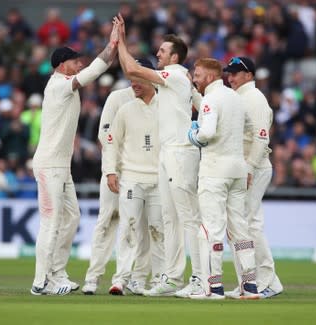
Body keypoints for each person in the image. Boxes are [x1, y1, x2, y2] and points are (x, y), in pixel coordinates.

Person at [30, 20, 119, 296]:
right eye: (74, 61)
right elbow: (92, 72)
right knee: (52, 221)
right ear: (61, 65)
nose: (79, 65)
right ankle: (41, 282)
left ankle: (57, 274)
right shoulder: (58, 84)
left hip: (61, 166)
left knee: (71, 217)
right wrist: (111, 44)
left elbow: (95, 68)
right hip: (48, 165)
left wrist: (116, 46)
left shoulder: (66, 84)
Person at [115, 14, 202, 297]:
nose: (157, 54)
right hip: (168, 152)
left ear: (174, 57)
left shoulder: (175, 74)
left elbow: (131, 68)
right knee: (169, 218)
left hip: (180, 152)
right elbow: (202, 105)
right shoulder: (177, 80)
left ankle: (201, 278)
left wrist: (121, 41)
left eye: (162, 51)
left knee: (187, 217)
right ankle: (173, 278)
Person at [188, 58, 260, 299]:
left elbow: (207, 133)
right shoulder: (237, 99)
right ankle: (249, 285)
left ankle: (213, 287)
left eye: (197, 75)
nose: (194, 79)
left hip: (215, 171)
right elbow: (252, 128)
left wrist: (194, 135)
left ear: (209, 77)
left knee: (211, 228)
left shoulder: (210, 99)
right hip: (238, 171)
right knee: (240, 229)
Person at [223, 56, 283, 299]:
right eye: (229, 72)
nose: (230, 77)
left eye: (236, 73)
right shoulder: (239, 97)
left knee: (247, 224)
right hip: (246, 167)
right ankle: (250, 282)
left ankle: (265, 281)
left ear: (249, 75)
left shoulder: (254, 98)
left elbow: (261, 138)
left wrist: (248, 168)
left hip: (254, 167)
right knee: (244, 224)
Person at [104, 59, 165, 296]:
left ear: (150, 77)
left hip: (160, 179)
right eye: (130, 79)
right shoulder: (126, 108)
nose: (133, 84)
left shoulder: (166, 105)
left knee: (158, 230)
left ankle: (159, 279)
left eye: (137, 78)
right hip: (131, 177)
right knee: (129, 228)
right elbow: (111, 142)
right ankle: (121, 279)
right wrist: (110, 171)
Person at [81, 85, 135, 295]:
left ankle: (123, 279)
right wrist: (113, 168)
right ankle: (92, 278)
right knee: (106, 222)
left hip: (140, 174)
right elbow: (104, 134)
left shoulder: (157, 99)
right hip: (115, 170)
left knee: (132, 226)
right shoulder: (117, 97)